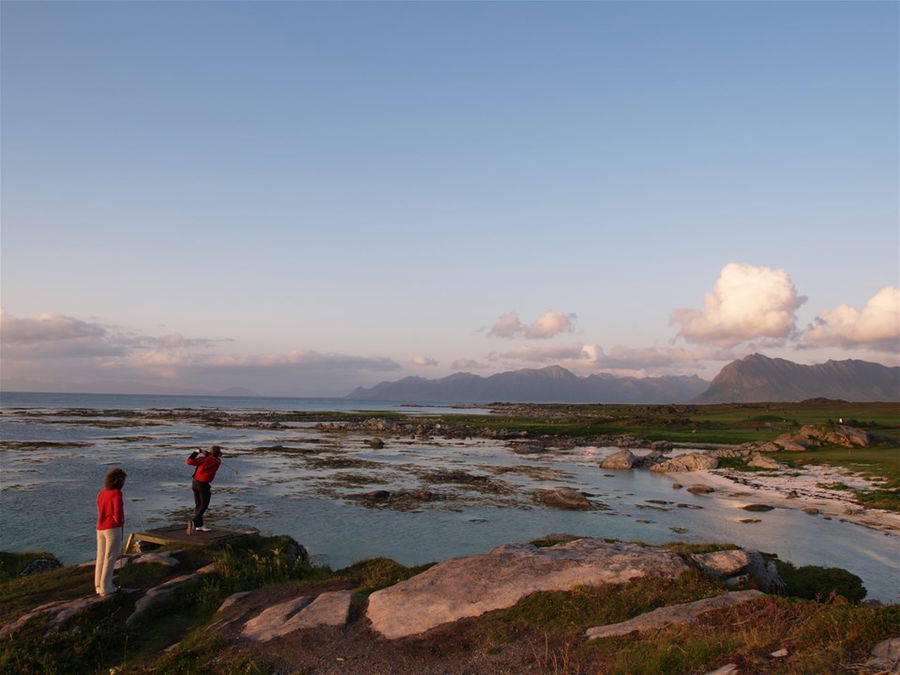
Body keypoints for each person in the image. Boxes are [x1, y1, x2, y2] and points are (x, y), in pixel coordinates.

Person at [95, 467, 126, 596]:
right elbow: (117, 512)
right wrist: (120, 521)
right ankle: (106, 588)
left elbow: (99, 506)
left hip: (100, 527)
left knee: (101, 557)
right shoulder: (117, 493)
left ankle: (98, 586)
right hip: (113, 528)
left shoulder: (102, 492)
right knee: (110, 558)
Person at [186, 445, 222, 534]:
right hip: (203, 485)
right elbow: (212, 457)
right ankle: (195, 521)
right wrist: (205, 453)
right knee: (204, 505)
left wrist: (196, 452)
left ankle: (199, 526)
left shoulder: (204, 459)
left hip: (195, 483)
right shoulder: (218, 461)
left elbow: (189, 462)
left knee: (198, 504)